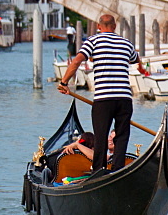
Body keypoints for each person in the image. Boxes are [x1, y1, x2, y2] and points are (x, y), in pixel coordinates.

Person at [58, 14, 147, 175]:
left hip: (103, 99)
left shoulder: (93, 41)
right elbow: (136, 59)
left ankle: (98, 170)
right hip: (124, 98)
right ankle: (118, 171)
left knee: (101, 136)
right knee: (122, 136)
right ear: (114, 26)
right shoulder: (126, 43)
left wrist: (64, 82)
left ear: (99, 27)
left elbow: (77, 61)